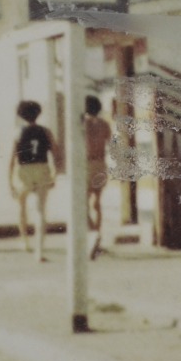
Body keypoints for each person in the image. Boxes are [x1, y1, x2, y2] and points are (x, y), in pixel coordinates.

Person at [9, 100, 59, 262]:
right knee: (40, 210)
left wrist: (9, 181)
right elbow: (56, 154)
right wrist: (55, 174)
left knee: (21, 207)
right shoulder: (46, 131)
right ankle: (39, 250)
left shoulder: (18, 132)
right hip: (42, 168)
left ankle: (25, 241)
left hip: (24, 170)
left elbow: (11, 159)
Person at [83, 95, 114, 258]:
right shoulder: (104, 124)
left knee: (83, 203)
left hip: (86, 164)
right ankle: (97, 235)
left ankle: (93, 232)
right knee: (97, 202)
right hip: (101, 163)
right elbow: (111, 143)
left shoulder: (83, 124)